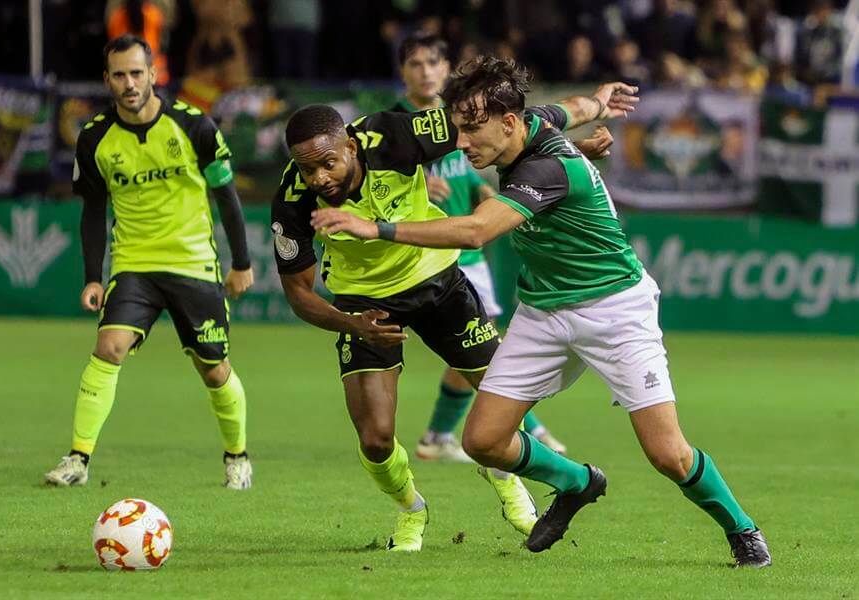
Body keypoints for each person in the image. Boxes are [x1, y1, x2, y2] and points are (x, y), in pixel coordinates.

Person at [310, 56, 772, 568]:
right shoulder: (531, 126)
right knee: (483, 440)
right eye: (458, 128)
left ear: (508, 123)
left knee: (669, 455)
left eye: (470, 130)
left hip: (615, 309)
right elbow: (569, 108)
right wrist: (599, 101)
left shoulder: (549, 164)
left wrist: (378, 228)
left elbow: (476, 232)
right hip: (543, 311)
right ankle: (577, 482)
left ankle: (743, 529)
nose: (461, 144)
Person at [272, 81, 622, 551]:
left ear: (351, 146)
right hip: (365, 305)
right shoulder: (293, 199)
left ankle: (504, 476)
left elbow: (501, 127)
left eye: (327, 163)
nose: (318, 178)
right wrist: (350, 322)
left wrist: (579, 134)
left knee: (501, 402)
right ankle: (411, 510)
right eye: (306, 168)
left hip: (438, 281)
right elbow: (298, 294)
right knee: (375, 439)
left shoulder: (397, 134)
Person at [44, 34, 256, 490]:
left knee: (214, 368)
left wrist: (241, 262)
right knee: (109, 348)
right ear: (107, 80)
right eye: (119, 75)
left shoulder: (195, 127)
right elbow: (93, 211)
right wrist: (92, 277)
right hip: (134, 265)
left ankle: (237, 455)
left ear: (154, 74)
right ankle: (78, 458)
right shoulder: (95, 137)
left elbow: (226, 195)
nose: (129, 83)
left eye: (136, 73)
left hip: (193, 263)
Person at [391, 32, 567, 462]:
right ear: (402, 72)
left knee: (477, 343)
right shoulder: (394, 125)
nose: (426, 71)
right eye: (415, 64)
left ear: (446, 66)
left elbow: (466, 176)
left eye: (433, 62)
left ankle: (440, 435)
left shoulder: (457, 120)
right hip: (435, 253)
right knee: (482, 341)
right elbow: (369, 182)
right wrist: (409, 182)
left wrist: (490, 198)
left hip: (470, 253)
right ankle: (525, 427)